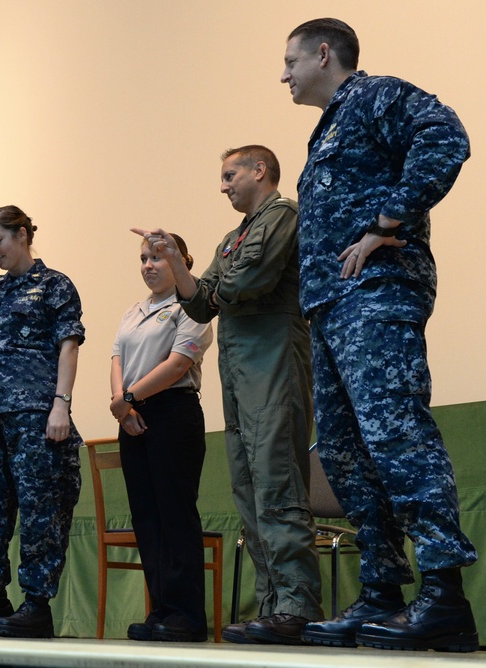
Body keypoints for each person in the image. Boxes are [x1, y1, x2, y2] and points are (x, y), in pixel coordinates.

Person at [280, 18, 478, 652]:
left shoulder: (377, 95)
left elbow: (446, 138)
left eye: (290, 61)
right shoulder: (331, 126)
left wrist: (389, 218)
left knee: (395, 433)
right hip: (333, 308)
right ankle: (382, 593)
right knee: (342, 450)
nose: (282, 75)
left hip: (377, 296)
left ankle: (444, 596)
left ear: (324, 53)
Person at [142, 146, 324, 644]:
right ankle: (271, 605)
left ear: (259, 171)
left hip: (274, 363)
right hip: (240, 372)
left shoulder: (282, 214)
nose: (222, 186)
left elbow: (248, 280)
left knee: (277, 484)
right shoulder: (231, 237)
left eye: (230, 175)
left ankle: (297, 605)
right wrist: (177, 260)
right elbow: (200, 305)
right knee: (248, 487)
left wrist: (214, 289)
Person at [0, 205, 84, 639]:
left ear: (22, 234)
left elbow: (69, 346)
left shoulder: (54, 284)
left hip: (35, 413)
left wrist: (61, 404)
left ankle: (36, 605)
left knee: (41, 509)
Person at [110, 233, 213, 642]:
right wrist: (122, 404)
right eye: (143, 258)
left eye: (157, 256)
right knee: (146, 518)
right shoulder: (134, 311)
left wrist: (129, 397)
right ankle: (161, 611)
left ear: (181, 260)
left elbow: (176, 365)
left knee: (175, 514)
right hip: (132, 416)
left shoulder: (193, 305)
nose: (149, 265)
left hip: (174, 412)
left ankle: (187, 616)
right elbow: (116, 356)